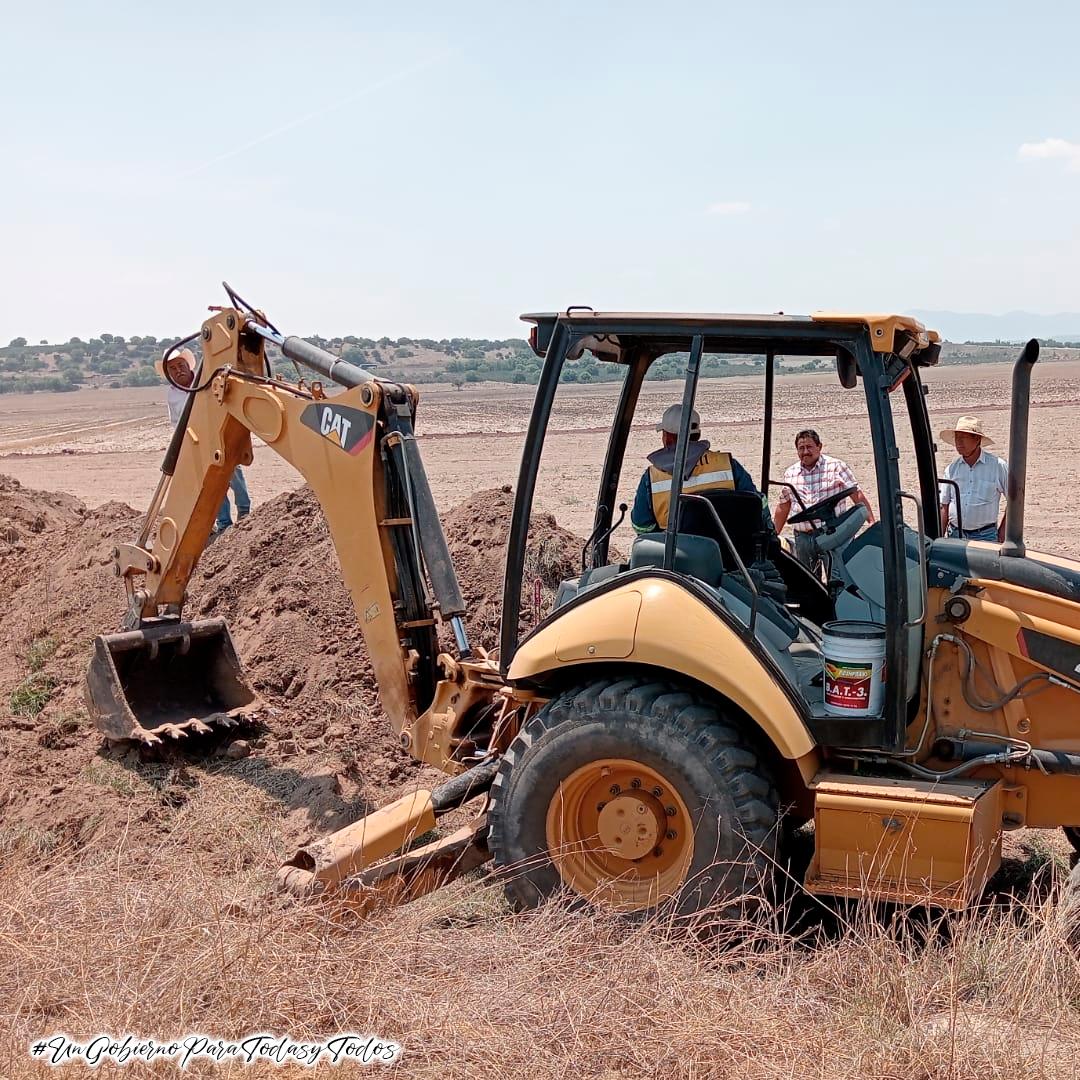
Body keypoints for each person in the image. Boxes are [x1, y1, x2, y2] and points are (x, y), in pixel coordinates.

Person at [631, 404, 763, 534]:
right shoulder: (728, 465)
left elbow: (642, 526)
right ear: (698, 435)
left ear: (669, 438)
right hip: (731, 550)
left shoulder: (652, 477)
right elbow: (758, 505)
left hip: (678, 552)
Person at [161, 348, 251, 534]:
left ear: (188, 365)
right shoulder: (172, 395)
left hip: (218, 433)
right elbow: (176, 422)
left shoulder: (206, 380)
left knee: (234, 476)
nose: (178, 370)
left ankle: (244, 512)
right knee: (212, 482)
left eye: (180, 365)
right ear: (169, 374)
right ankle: (224, 522)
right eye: (172, 369)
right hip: (197, 442)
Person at [772, 429, 875, 570]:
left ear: (819, 447)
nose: (805, 451)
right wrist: (773, 534)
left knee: (838, 577)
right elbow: (784, 505)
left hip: (834, 535)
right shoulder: (791, 473)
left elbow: (856, 494)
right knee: (808, 582)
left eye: (809, 447)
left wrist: (871, 522)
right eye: (801, 448)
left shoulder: (836, 467)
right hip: (803, 538)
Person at [938, 415, 1008, 542]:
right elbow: (945, 506)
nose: (958, 442)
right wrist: (938, 538)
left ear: (977, 439)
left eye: (963, 438)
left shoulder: (997, 466)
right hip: (955, 534)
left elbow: (1015, 502)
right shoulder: (951, 469)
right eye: (957, 438)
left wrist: (1003, 532)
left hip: (985, 536)